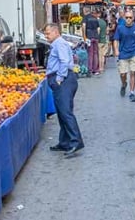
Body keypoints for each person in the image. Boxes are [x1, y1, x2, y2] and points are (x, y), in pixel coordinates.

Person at [43, 23, 84, 158]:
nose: (46, 36)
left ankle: (75, 141)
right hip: (63, 80)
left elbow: (64, 61)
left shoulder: (59, 44)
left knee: (66, 112)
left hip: (64, 81)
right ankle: (64, 141)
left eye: (48, 33)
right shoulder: (57, 44)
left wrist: (59, 78)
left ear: (55, 32)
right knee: (61, 112)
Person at [113, 9, 135, 102]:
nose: (128, 19)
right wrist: (116, 50)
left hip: (134, 52)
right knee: (123, 74)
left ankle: (132, 93)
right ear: (124, 18)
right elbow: (116, 40)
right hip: (123, 53)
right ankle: (124, 84)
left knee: (133, 73)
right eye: (127, 18)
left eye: (130, 17)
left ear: (133, 18)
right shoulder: (120, 28)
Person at [82, 8, 101, 76]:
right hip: (95, 37)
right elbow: (98, 28)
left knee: (90, 53)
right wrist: (96, 35)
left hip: (89, 37)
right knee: (95, 53)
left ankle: (90, 69)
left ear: (85, 11)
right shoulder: (95, 18)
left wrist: (84, 36)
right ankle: (95, 69)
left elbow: (84, 26)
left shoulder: (85, 18)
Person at [97, 9, 108, 73]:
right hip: (104, 40)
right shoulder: (104, 22)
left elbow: (98, 31)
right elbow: (107, 31)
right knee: (103, 55)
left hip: (100, 41)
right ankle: (103, 67)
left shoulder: (98, 22)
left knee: (100, 55)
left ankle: (100, 67)